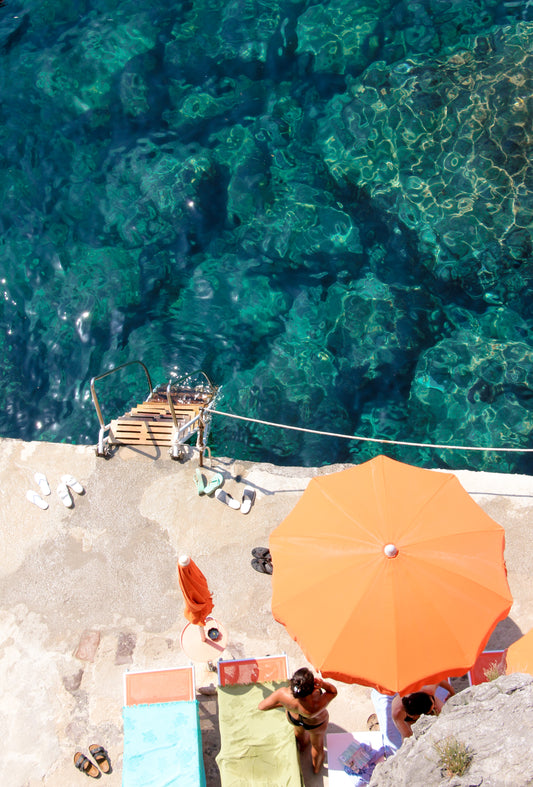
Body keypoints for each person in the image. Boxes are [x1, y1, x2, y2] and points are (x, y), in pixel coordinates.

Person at [258, 667, 337, 773]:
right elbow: (333, 692)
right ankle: (316, 769)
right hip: (314, 725)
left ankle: (303, 747)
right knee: (317, 746)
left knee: (299, 733)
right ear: (312, 688)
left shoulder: (282, 694)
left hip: (293, 718)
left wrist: (284, 704)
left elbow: (262, 706)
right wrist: (322, 684)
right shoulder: (315, 703)